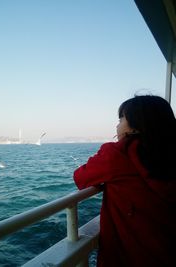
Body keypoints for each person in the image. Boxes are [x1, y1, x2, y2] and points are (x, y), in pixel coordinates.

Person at [73, 95, 176, 267]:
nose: (117, 124)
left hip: (131, 256)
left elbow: (80, 177)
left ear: (136, 126)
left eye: (121, 118)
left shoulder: (118, 154)